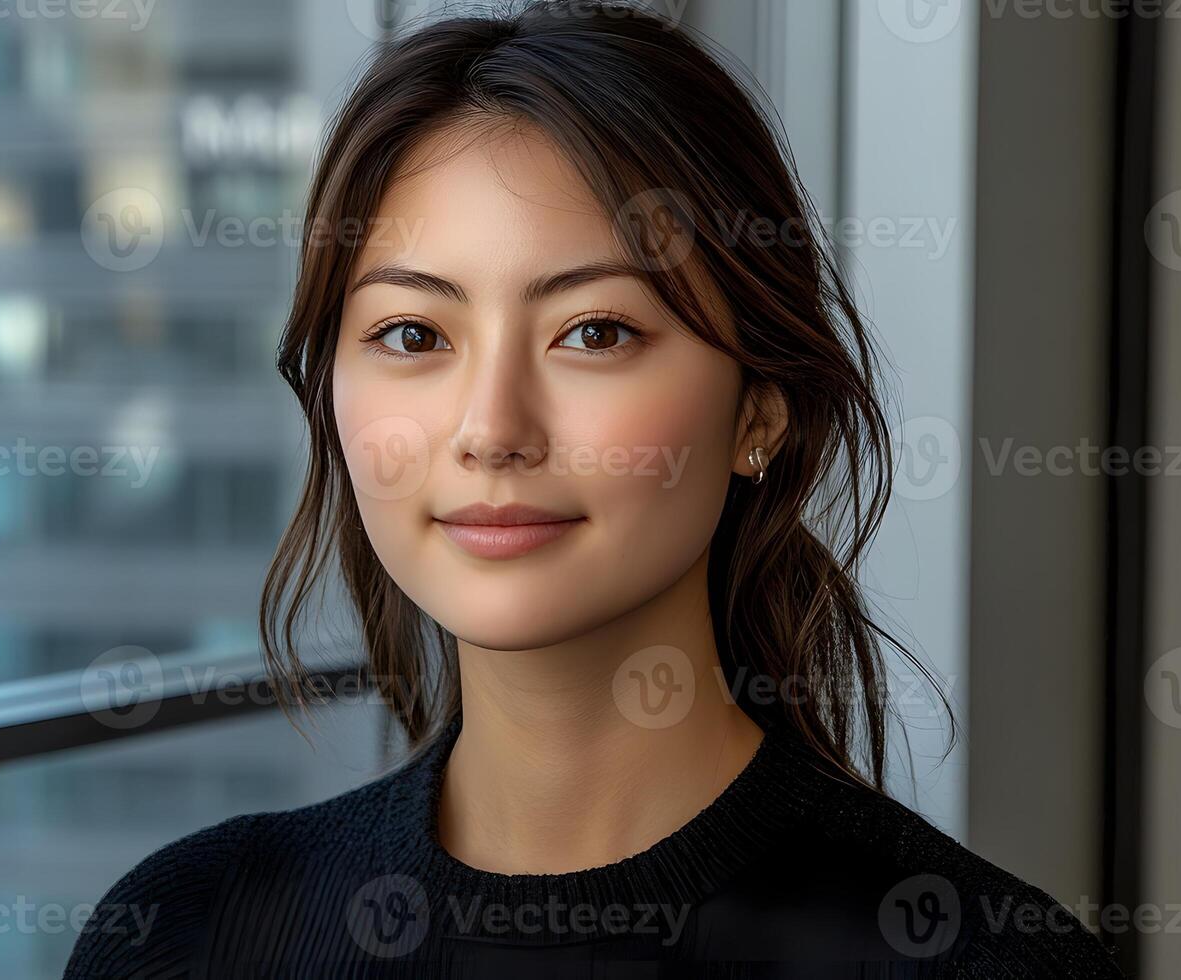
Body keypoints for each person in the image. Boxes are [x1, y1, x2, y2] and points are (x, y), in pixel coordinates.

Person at [65, 2, 1125, 975]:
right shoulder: (190, 932)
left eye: (595, 332)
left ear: (760, 409)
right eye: (413, 334)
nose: (492, 429)